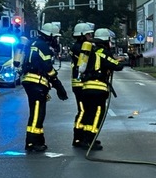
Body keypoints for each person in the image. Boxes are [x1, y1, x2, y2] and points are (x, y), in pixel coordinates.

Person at [21, 23, 68, 152]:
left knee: (38, 113)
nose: (56, 40)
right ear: (50, 36)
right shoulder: (43, 47)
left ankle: (38, 140)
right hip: (37, 82)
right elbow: (48, 68)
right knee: (37, 114)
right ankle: (31, 142)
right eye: (55, 37)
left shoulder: (32, 43)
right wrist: (59, 86)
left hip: (29, 80)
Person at [78, 28, 123, 150]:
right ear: (106, 41)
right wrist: (119, 61)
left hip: (86, 88)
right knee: (97, 114)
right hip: (98, 89)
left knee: (88, 114)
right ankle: (90, 141)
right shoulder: (103, 53)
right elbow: (117, 66)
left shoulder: (91, 52)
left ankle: (86, 139)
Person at [70, 22, 95, 147]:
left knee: (87, 111)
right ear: (82, 35)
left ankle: (85, 137)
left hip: (81, 83)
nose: (91, 36)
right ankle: (78, 138)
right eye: (88, 34)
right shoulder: (79, 48)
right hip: (80, 84)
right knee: (83, 111)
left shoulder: (81, 46)